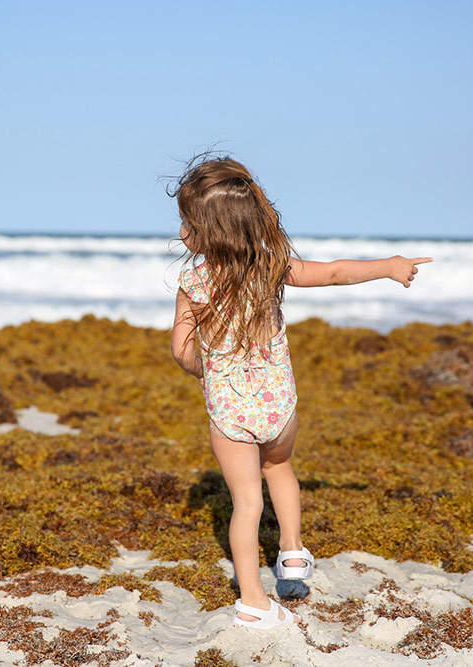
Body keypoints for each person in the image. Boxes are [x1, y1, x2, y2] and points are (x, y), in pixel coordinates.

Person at [170, 155, 431, 630]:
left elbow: (182, 351)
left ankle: (252, 598)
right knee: (281, 468)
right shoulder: (270, 266)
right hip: (278, 403)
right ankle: (291, 553)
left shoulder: (193, 281)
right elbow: (333, 273)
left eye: (187, 222)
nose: (183, 232)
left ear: (207, 230)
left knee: (246, 504)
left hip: (229, 410)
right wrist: (390, 266)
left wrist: (207, 372)